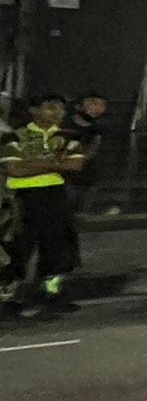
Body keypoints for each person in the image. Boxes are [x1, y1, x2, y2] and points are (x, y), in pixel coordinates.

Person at [1, 94, 86, 318]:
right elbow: (14, 169)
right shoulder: (14, 136)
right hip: (21, 197)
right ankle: (9, 296)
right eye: (50, 108)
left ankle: (52, 293)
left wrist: (33, 164)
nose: (57, 113)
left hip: (55, 195)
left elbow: (75, 164)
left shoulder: (68, 136)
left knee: (57, 247)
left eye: (60, 109)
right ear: (33, 110)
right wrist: (55, 164)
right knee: (17, 247)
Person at [62, 91, 107, 218]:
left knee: (83, 209)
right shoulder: (64, 124)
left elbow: (94, 149)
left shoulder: (97, 129)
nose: (97, 109)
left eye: (102, 105)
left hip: (87, 173)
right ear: (78, 106)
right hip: (64, 173)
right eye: (93, 104)